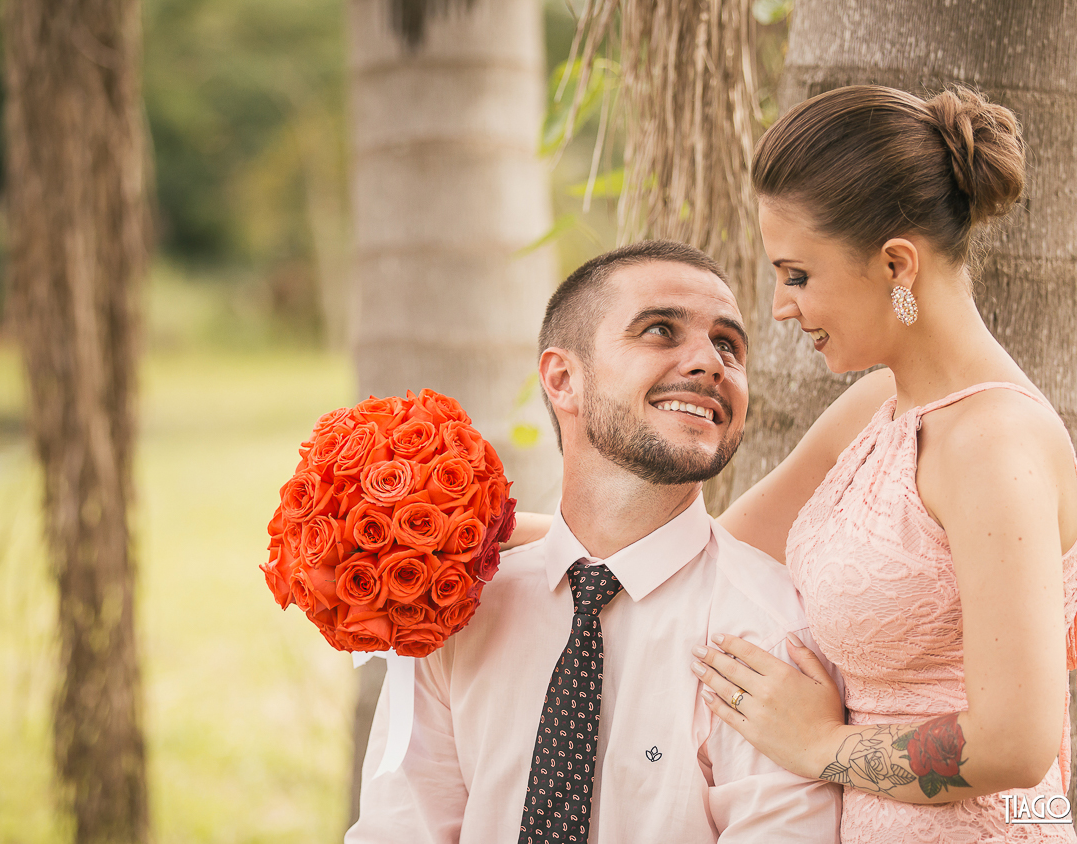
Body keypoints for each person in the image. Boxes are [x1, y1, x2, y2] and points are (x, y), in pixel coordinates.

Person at [689, 85, 1077, 842]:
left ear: (897, 263)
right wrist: (507, 533)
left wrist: (820, 745)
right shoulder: (878, 408)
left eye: (797, 275)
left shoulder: (994, 446)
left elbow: (1015, 741)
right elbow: (712, 555)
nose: (779, 306)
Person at [346, 240, 842, 843]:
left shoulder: (769, 637)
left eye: (728, 346)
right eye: (660, 330)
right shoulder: (456, 613)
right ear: (563, 380)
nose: (711, 363)